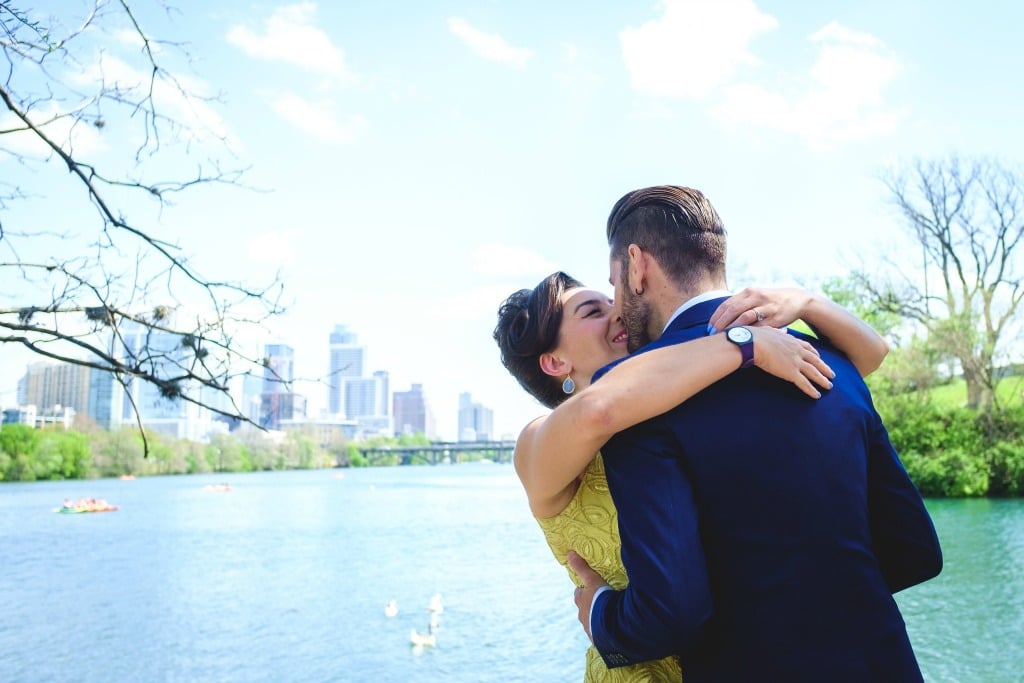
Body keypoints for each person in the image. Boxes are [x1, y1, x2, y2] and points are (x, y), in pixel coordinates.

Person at [568, 185, 942, 682]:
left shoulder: (637, 396)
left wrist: (599, 612)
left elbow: (671, 612)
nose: (616, 304)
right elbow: (915, 550)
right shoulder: (836, 364)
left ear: (637, 266)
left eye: (614, 282)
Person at [494, 268, 892, 682]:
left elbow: (863, 361)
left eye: (613, 302)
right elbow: (597, 411)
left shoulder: (681, 390)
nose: (619, 312)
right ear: (555, 361)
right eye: (594, 310)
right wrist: (745, 342)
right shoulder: (536, 444)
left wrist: (808, 302)